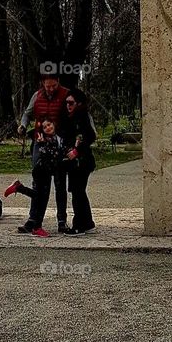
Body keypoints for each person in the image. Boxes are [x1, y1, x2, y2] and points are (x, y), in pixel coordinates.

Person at [17, 72, 71, 231]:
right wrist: (23, 125)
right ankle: (33, 219)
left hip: (59, 144)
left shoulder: (66, 94)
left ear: (58, 82)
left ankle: (62, 221)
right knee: (39, 182)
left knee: (60, 183)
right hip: (40, 143)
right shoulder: (37, 95)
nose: (51, 89)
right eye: (48, 86)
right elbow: (27, 113)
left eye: (54, 86)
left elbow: (77, 112)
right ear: (43, 84)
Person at [3, 118, 64, 236]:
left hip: (46, 170)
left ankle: (19, 188)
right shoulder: (44, 140)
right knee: (41, 198)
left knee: (38, 197)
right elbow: (48, 154)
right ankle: (37, 227)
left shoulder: (56, 138)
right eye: (45, 127)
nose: (48, 128)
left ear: (54, 124)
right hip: (42, 171)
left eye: (49, 125)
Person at [61, 89, 97, 234]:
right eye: (66, 103)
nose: (68, 105)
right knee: (78, 191)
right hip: (74, 162)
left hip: (82, 161)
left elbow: (90, 136)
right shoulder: (70, 118)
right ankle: (86, 222)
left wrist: (77, 150)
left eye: (71, 103)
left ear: (78, 103)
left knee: (78, 192)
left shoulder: (82, 117)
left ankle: (80, 224)